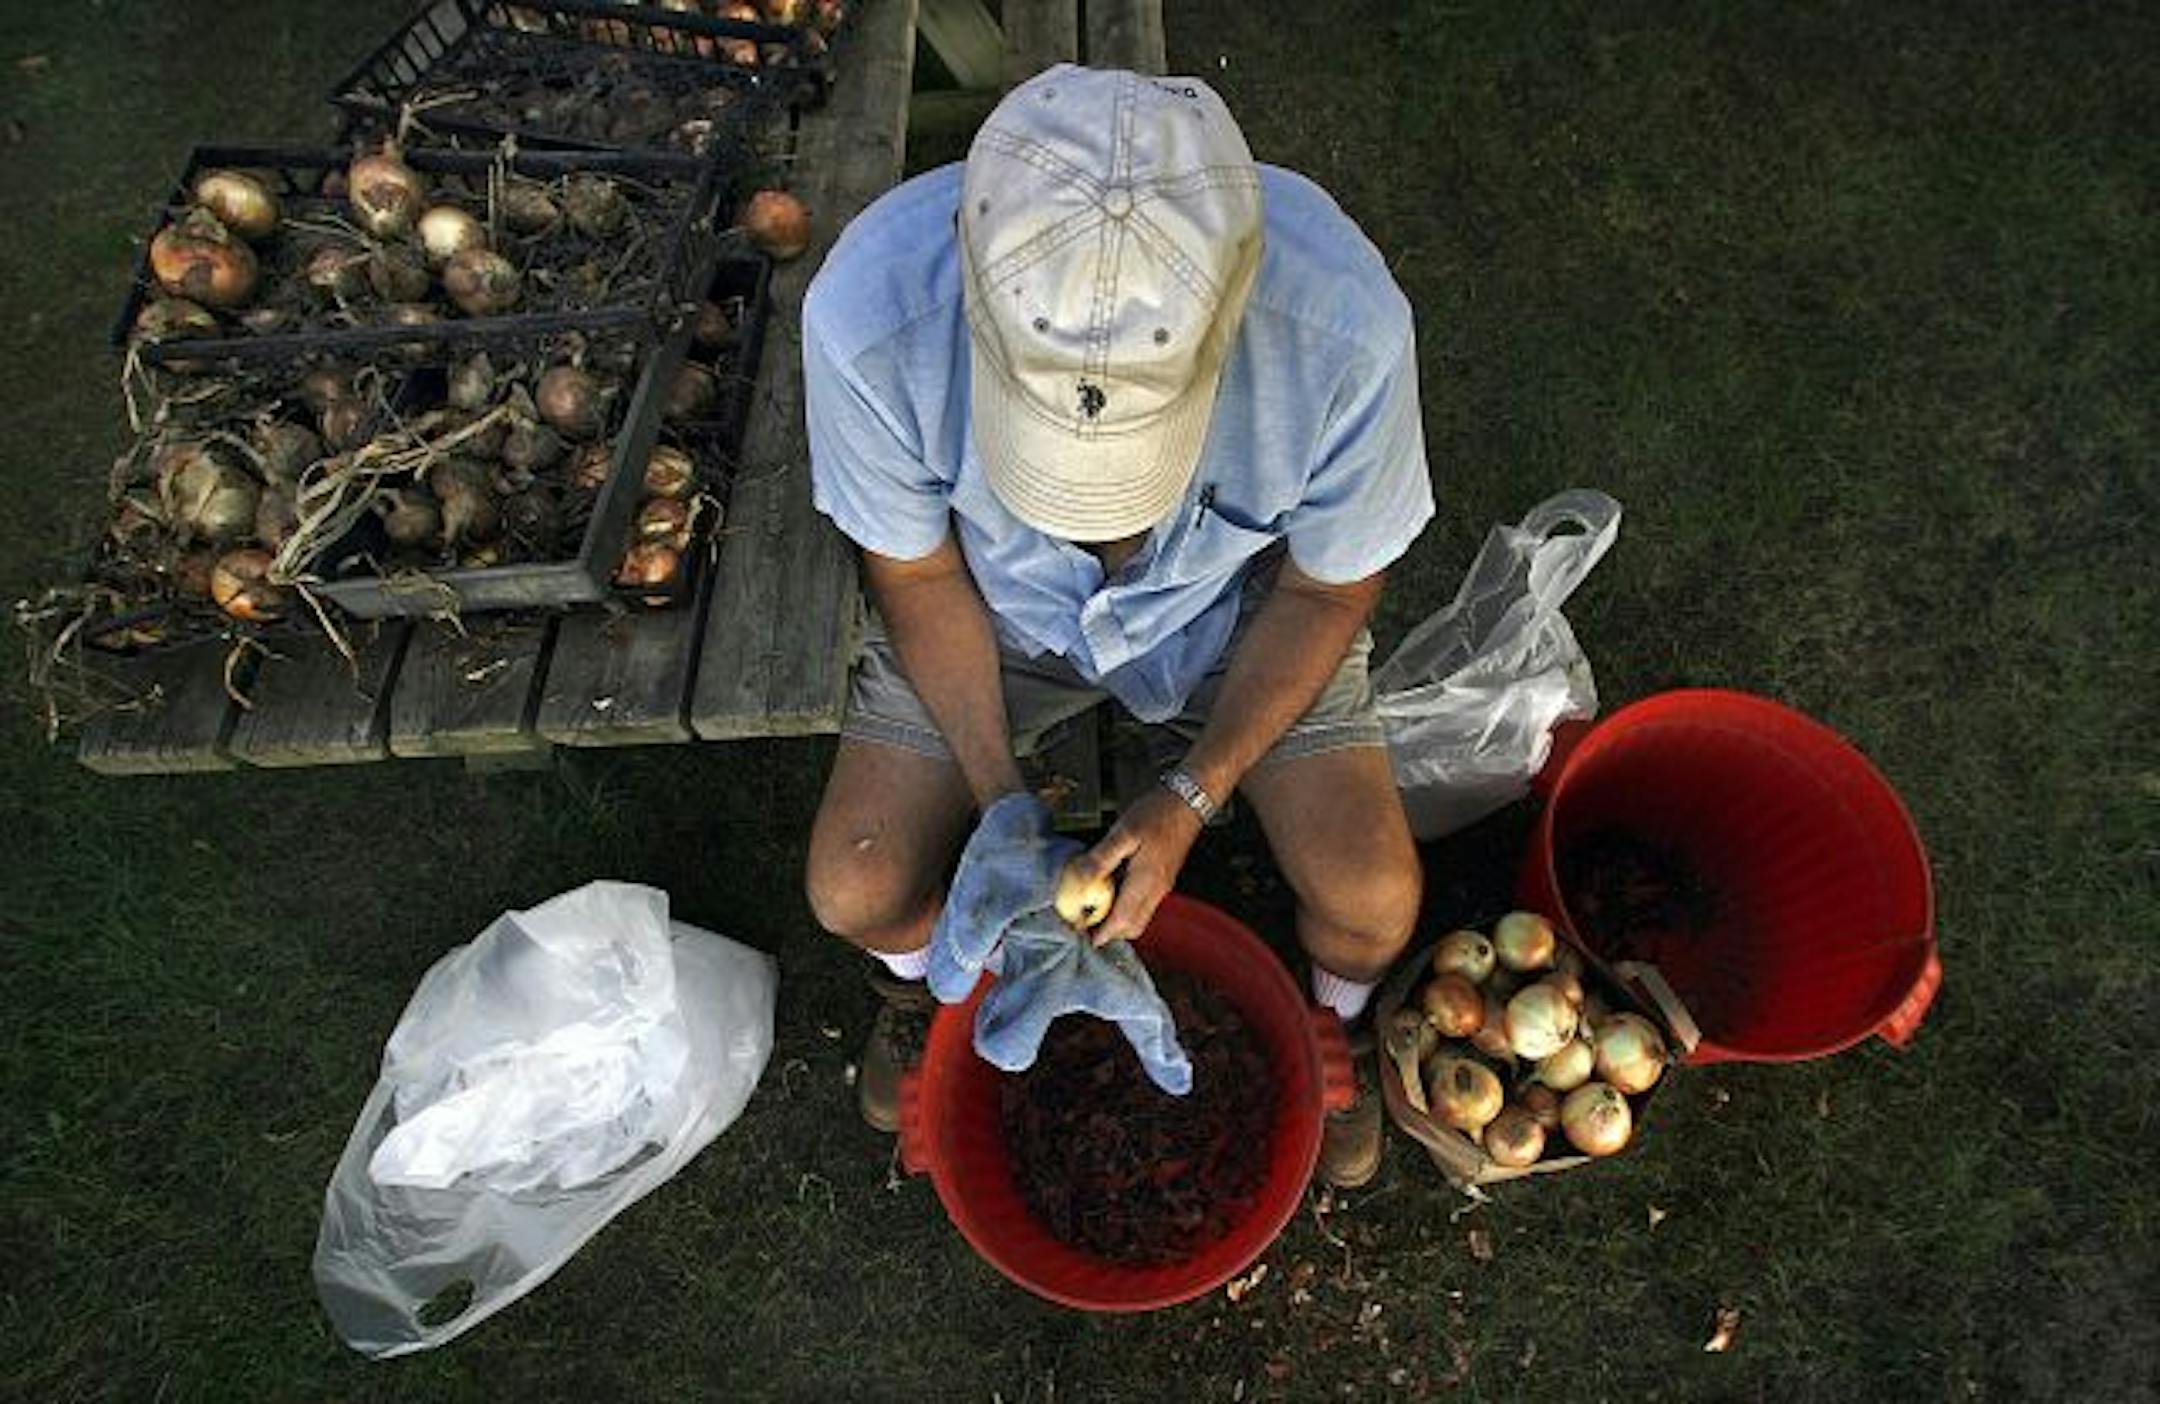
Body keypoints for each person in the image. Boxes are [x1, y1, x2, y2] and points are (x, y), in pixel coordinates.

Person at [800, 65, 1432, 1187]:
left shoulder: (1346, 331)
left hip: (1235, 610)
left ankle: (1337, 1014)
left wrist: (1197, 790)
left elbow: (1326, 590)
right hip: (990, 605)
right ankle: (922, 994)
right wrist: (1000, 796)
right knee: (854, 886)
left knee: (1374, 896)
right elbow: (921, 575)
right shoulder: (867, 317)